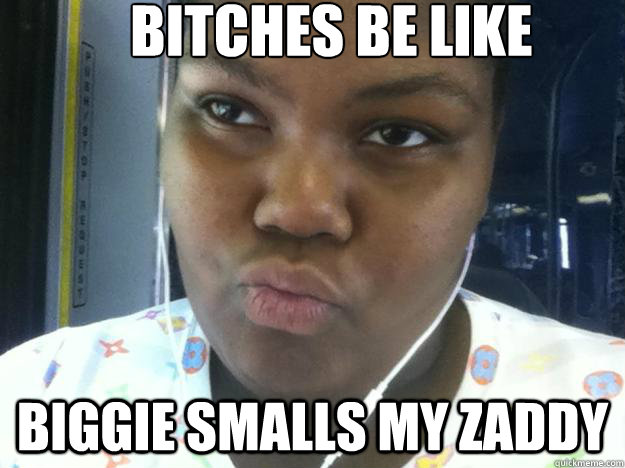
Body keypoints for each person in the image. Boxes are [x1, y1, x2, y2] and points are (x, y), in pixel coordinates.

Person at [1, 1, 624, 467]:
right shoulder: (39, 398)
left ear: (487, 167)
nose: (297, 213)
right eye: (229, 111)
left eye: (399, 134)